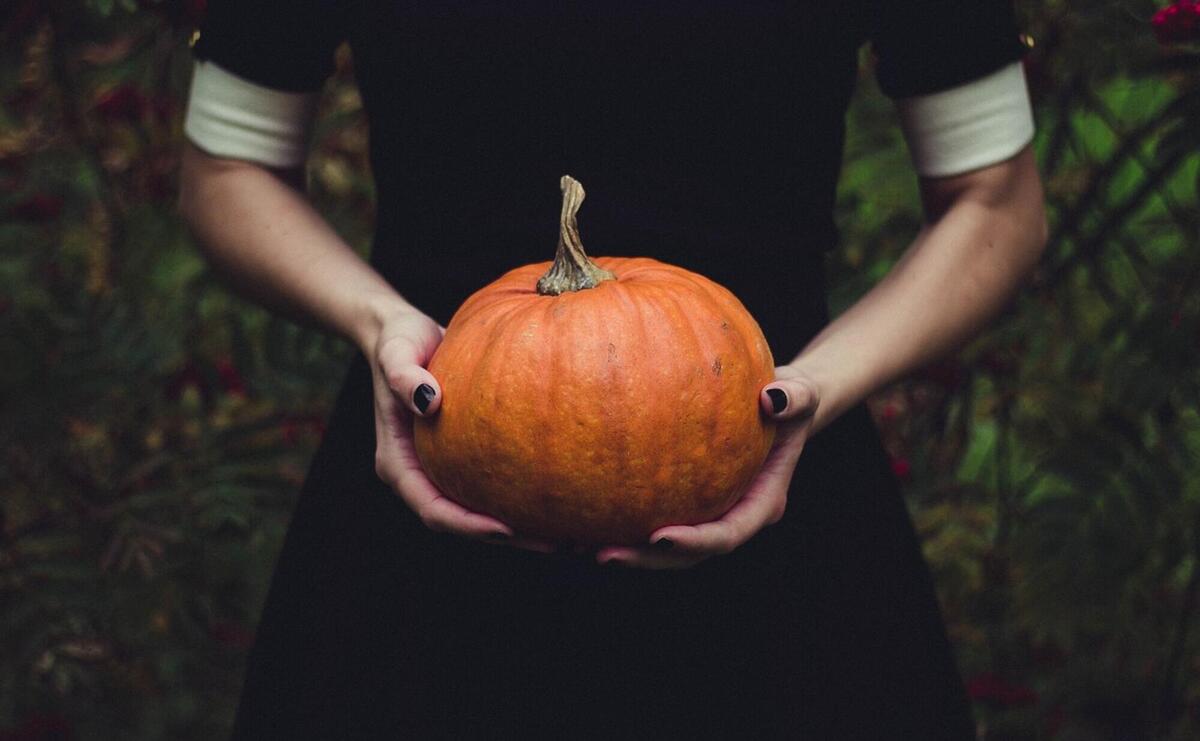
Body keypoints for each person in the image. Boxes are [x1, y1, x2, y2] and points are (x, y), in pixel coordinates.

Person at [178, 1, 1047, 737]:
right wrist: (380, 325)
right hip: (432, 458)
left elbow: (996, 201)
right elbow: (227, 168)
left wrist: (817, 386)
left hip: (775, 473)